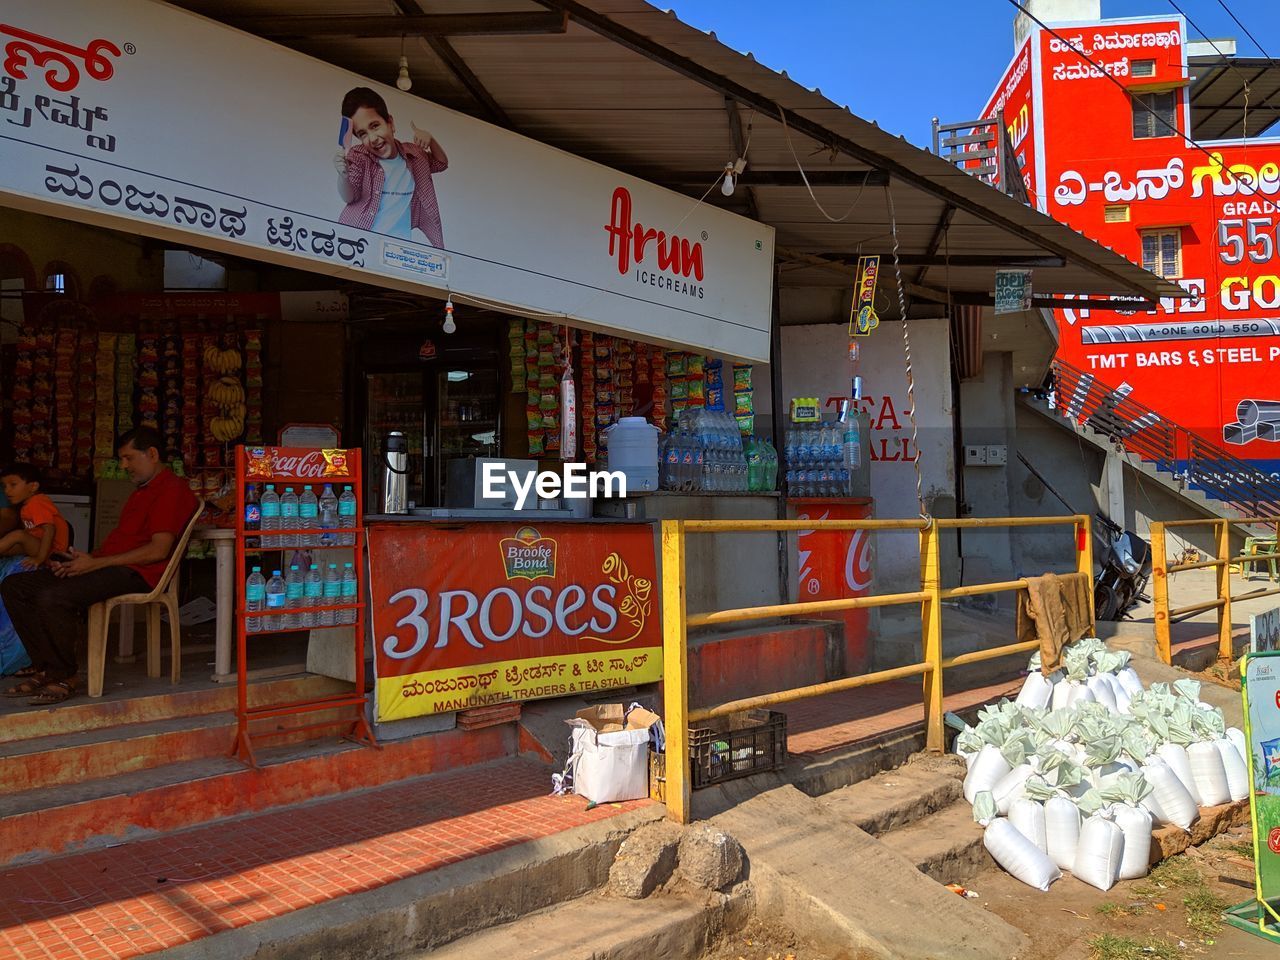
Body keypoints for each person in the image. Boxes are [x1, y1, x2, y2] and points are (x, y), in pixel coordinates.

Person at [1, 427, 198, 704]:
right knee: (15, 586)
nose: (124, 465)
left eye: (129, 458)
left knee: (53, 596)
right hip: (109, 565)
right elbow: (119, 545)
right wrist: (81, 561)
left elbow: (158, 550)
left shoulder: (171, 489)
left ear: (151, 454)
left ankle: (64, 675)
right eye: (122, 459)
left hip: (139, 573)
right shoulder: (141, 491)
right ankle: (45, 666)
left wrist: (95, 564)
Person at [335, 86, 448, 248]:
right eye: (363, 134)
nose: (372, 138)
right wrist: (343, 175)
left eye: (375, 126)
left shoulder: (415, 154)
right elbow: (349, 197)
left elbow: (441, 163)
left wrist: (431, 139)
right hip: (359, 243)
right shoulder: (358, 156)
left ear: (390, 123)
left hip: (398, 249)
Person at [0, 462, 71, 566]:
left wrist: (40, 558)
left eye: (13, 485)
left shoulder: (37, 502)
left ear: (33, 486)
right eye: (4, 486)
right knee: (7, 549)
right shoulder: (27, 505)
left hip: (52, 551)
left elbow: (50, 530)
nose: (7, 491)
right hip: (37, 544)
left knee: (18, 535)